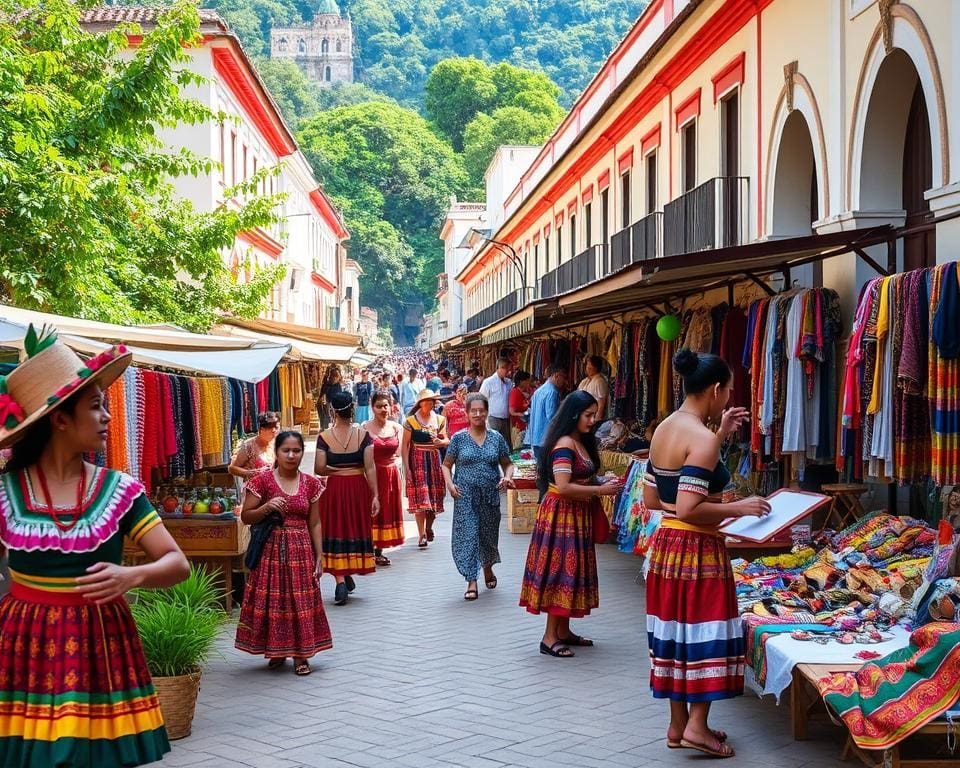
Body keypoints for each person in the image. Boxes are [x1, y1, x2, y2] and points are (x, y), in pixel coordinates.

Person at [0, 329, 190, 766]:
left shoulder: (120, 491)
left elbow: (176, 562)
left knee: (95, 757)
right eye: (95, 406)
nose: (107, 416)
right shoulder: (7, 491)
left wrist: (133, 575)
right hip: (26, 645)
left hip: (99, 644)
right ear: (60, 419)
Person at [643, 349, 768, 759]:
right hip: (697, 549)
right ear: (715, 390)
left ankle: (678, 725)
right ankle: (697, 727)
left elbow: (651, 498)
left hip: (665, 548)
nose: (728, 398)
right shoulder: (700, 439)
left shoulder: (664, 429)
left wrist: (720, 434)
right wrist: (739, 507)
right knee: (704, 632)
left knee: (675, 633)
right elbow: (690, 508)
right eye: (728, 391)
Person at [519, 390, 622, 657]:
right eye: (588, 416)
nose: (592, 421)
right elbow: (563, 486)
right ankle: (549, 636)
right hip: (562, 515)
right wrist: (601, 491)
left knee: (571, 571)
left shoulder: (577, 441)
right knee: (560, 571)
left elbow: (579, 479)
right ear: (574, 415)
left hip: (574, 516)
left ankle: (563, 631)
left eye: (593, 415)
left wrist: (601, 482)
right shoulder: (564, 444)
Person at [235, 431, 331, 676]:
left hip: (301, 550)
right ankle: (276, 651)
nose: (291, 455)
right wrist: (266, 507)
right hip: (270, 549)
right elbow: (246, 516)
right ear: (276, 452)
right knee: (274, 601)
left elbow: (315, 523)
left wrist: (319, 556)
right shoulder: (262, 482)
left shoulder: (311, 484)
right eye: (285, 450)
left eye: (296, 450)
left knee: (301, 600)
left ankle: (301, 655)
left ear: (302, 453)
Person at [441, 394, 515, 601]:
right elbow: (446, 465)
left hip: (490, 495)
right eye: (473, 410)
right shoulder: (459, 439)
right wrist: (450, 484)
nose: (477, 414)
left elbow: (508, 464)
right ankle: (471, 580)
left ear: (486, 412)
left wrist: (507, 477)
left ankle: (488, 567)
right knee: (469, 535)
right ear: (466, 413)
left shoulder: (496, 438)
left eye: (481, 410)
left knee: (488, 535)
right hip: (464, 495)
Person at [315, 392, 380, 605]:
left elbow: (319, 468)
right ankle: (345, 575)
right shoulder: (364, 436)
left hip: (334, 489)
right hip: (358, 488)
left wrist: (337, 470)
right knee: (352, 529)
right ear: (352, 409)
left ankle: (340, 580)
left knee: (335, 530)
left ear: (332, 410)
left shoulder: (324, 437)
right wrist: (376, 495)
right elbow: (370, 468)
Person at [402, 390, 448, 548]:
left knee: (434, 498)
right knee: (421, 499)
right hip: (418, 461)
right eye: (427, 401)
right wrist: (406, 467)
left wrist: (441, 443)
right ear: (420, 403)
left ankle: (428, 527)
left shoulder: (440, 419)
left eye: (432, 401)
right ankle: (421, 534)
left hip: (434, 460)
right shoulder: (411, 421)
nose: (431, 404)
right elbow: (405, 446)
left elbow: (445, 438)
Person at [364, 391, 405, 566]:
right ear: (372, 408)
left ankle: (378, 550)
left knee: (387, 510)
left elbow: (401, 454)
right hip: (371, 474)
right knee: (372, 510)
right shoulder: (364, 428)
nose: (383, 409)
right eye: (379, 406)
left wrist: (397, 468)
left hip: (391, 474)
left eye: (386, 405)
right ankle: (369, 549)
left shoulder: (397, 428)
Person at [527, 365, 568, 500]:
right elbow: (553, 417)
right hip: (547, 439)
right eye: (563, 377)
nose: (565, 381)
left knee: (542, 471)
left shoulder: (539, 391)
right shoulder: (552, 392)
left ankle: (542, 499)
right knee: (549, 473)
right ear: (556, 375)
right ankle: (546, 501)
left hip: (537, 438)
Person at [228, 411, 280, 481]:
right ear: (261, 429)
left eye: (276, 427)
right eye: (270, 428)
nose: (274, 431)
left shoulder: (278, 444)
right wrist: (249, 473)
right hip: (254, 488)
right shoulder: (248, 446)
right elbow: (232, 468)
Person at [479, 357, 514, 449]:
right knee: (493, 444)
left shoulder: (509, 382)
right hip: (493, 418)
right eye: (507, 370)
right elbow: (481, 399)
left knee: (506, 444)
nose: (509, 372)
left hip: (506, 418)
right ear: (501, 367)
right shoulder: (488, 382)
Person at [578, 355, 609, 420]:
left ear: (595, 368)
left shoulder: (599, 381)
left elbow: (601, 404)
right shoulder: (585, 381)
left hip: (592, 418)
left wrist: (597, 419)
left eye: (589, 365)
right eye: (587, 365)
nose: (587, 367)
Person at [509, 370, 533, 447]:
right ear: (522, 381)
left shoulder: (521, 393)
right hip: (518, 428)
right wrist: (524, 415)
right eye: (527, 381)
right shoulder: (515, 393)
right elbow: (511, 411)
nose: (529, 383)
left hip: (523, 427)